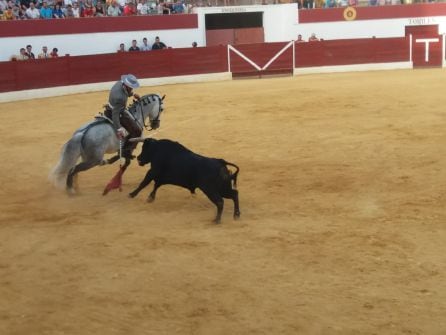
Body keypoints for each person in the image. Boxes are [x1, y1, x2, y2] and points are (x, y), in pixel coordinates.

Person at [106, 74, 142, 158]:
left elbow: (126, 92)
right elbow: (115, 115)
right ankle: (127, 151)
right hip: (117, 112)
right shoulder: (120, 98)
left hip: (111, 105)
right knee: (137, 131)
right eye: (131, 87)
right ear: (127, 85)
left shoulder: (119, 83)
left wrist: (133, 94)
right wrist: (119, 128)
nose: (132, 88)